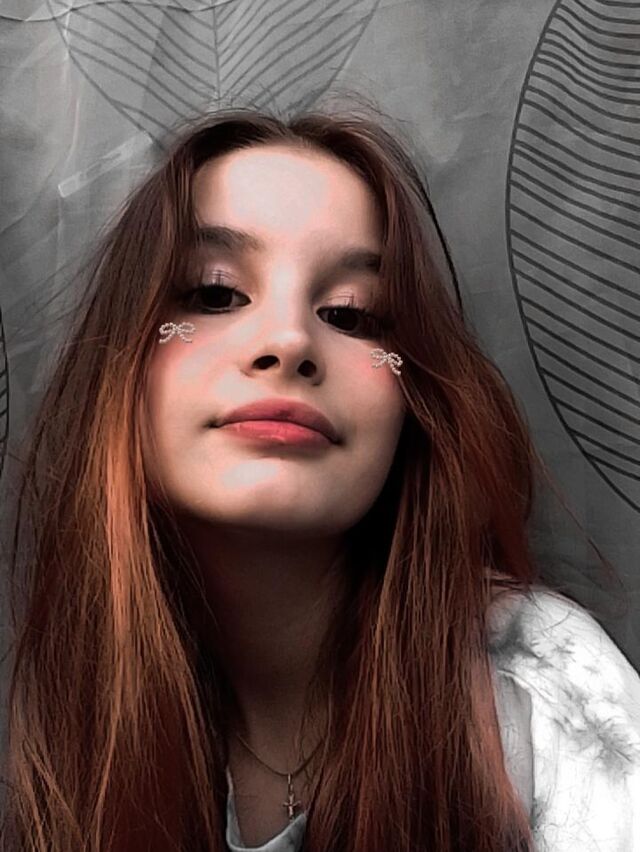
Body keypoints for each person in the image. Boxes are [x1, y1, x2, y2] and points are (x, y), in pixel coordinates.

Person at [0, 102, 639, 852]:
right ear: (123, 368)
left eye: (350, 314)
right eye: (214, 293)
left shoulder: (538, 686)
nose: (289, 340)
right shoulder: (69, 712)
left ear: (413, 400)